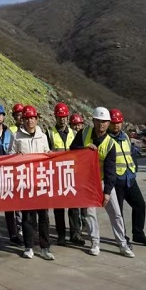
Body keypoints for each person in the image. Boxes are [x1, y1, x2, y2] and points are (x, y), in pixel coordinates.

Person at [69, 107, 135, 258]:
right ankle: (95, 242)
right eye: (98, 121)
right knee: (90, 214)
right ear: (93, 121)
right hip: (87, 182)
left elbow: (111, 170)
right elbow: (72, 150)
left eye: (105, 122)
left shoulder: (110, 143)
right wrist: (84, 149)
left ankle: (122, 244)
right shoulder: (83, 134)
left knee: (116, 214)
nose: (101, 125)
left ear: (109, 123)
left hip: (103, 181)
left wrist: (107, 193)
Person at [12, 106, 55, 261]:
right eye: (27, 118)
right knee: (27, 217)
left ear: (37, 119)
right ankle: (29, 246)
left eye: (32, 118)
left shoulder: (42, 137)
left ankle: (45, 247)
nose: (30, 121)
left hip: (41, 181)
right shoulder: (16, 136)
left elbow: (47, 154)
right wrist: (16, 156)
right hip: (25, 182)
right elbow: (10, 156)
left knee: (44, 216)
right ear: (22, 120)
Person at [109, 109, 146, 247]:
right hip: (117, 181)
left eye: (118, 122)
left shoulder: (125, 137)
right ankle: (122, 238)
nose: (116, 125)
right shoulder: (107, 140)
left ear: (122, 123)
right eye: (113, 123)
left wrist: (134, 169)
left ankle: (138, 234)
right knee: (119, 212)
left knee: (140, 205)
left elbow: (131, 154)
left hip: (130, 178)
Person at [48, 103, 84, 247]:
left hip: (71, 174)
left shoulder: (74, 133)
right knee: (59, 208)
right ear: (55, 117)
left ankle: (76, 234)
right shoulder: (49, 133)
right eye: (59, 116)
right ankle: (61, 235)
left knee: (74, 207)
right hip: (57, 175)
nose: (62, 119)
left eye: (64, 116)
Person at [0, 103, 23, 247]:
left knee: (10, 205)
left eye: (1, 114)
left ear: (4, 116)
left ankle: (13, 235)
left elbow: (13, 150)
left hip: (8, 172)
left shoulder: (9, 133)